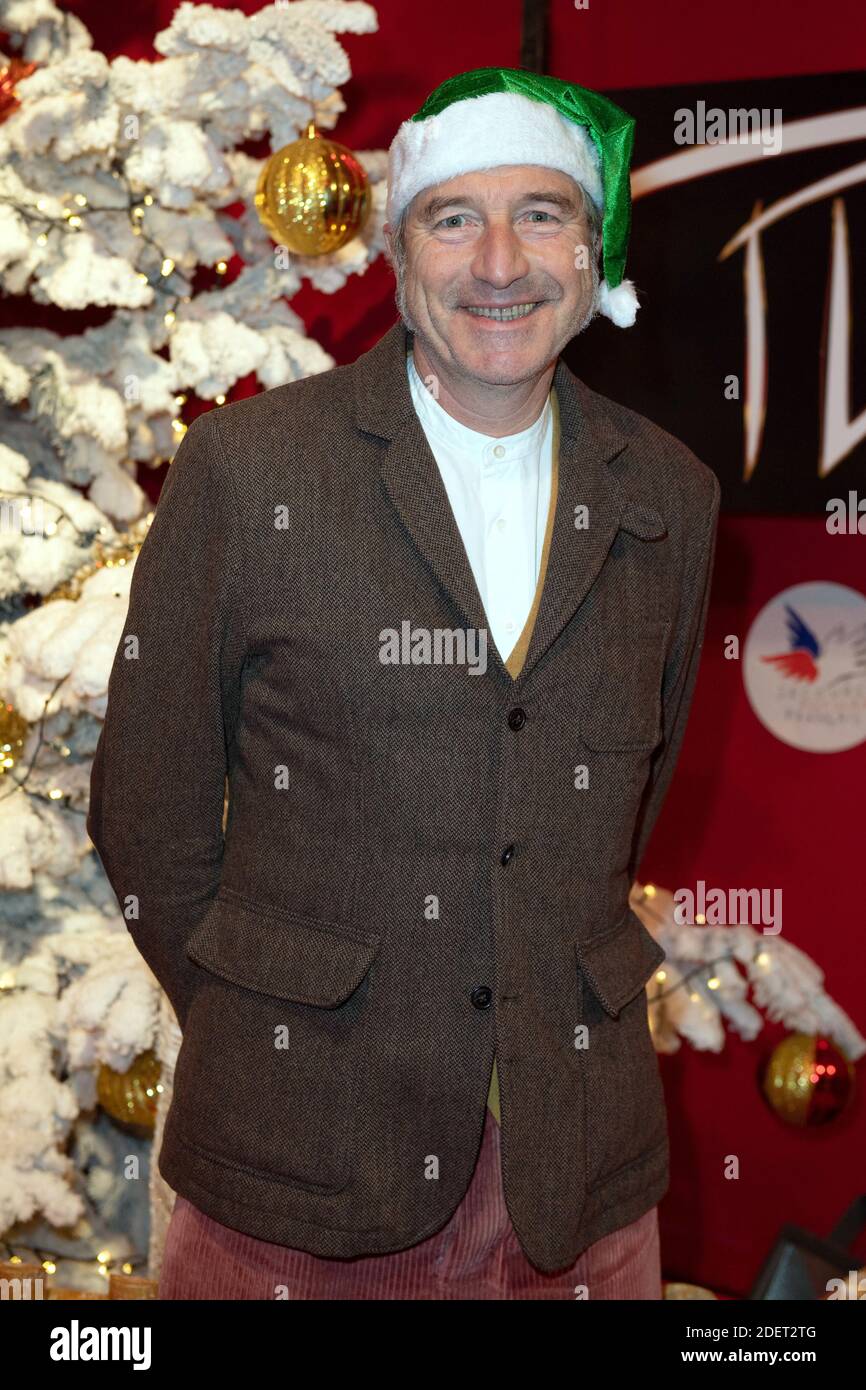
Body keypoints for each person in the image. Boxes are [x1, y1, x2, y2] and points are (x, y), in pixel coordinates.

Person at [87, 67, 720, 1300]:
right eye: (452, 218)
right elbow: (146, 814)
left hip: (576, 1186)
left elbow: (627, 798)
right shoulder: (248, 468)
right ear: (397, 252)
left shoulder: (669, 494)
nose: (499, 262)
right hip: (294, 1176)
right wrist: (270, 1019)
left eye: (541, 214)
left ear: (592, 254)